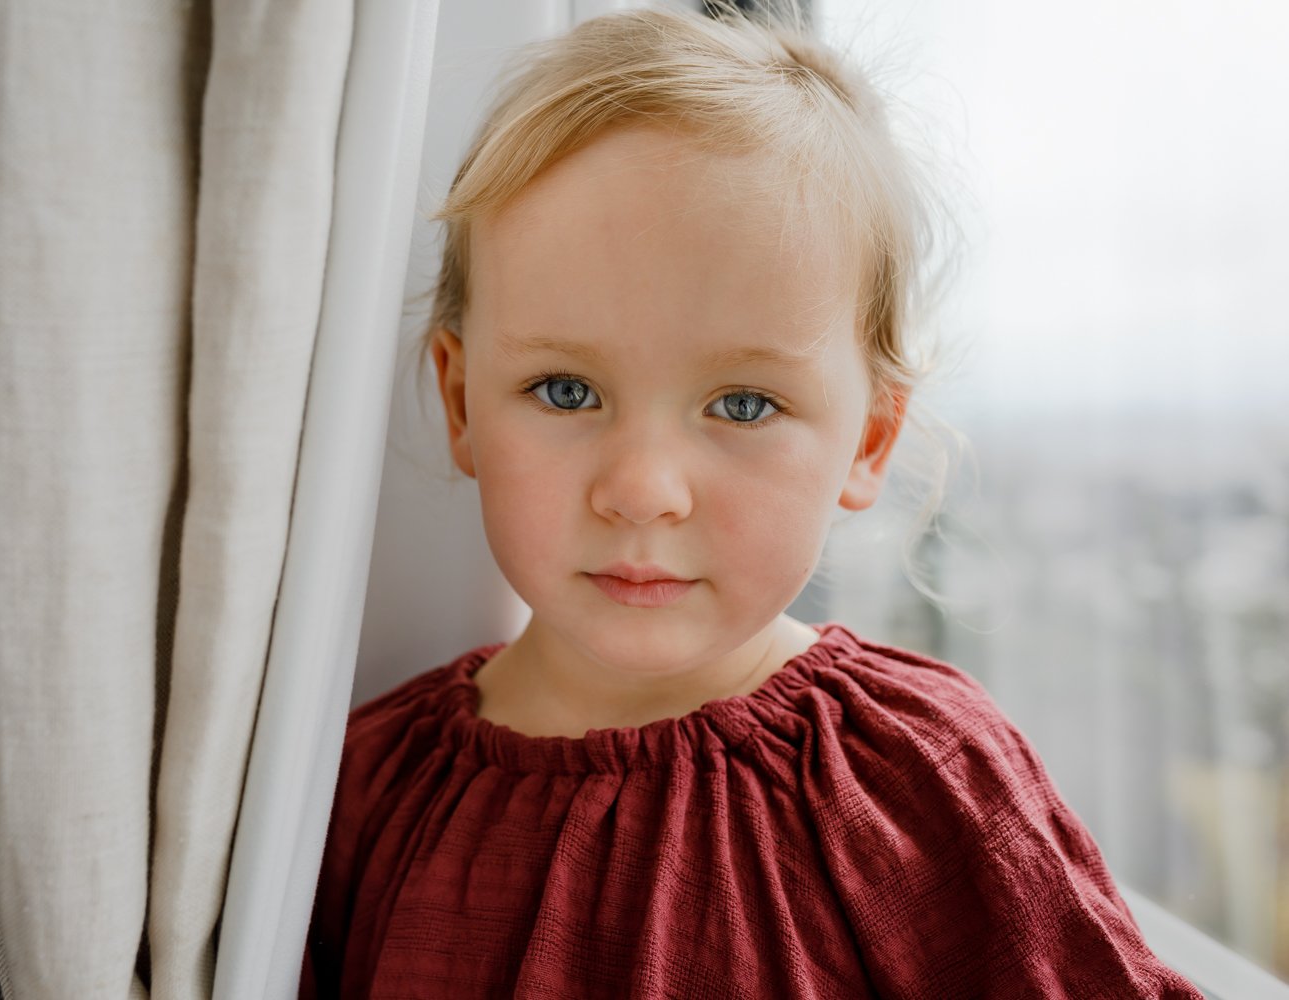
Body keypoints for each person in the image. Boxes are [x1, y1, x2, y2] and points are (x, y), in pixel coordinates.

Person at [301, 4, 1204, 997]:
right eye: (566, 391)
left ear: (868, 442)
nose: (642, 489)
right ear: (461, 401)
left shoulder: (914, 775)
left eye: (742, 403)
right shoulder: (364, 791)